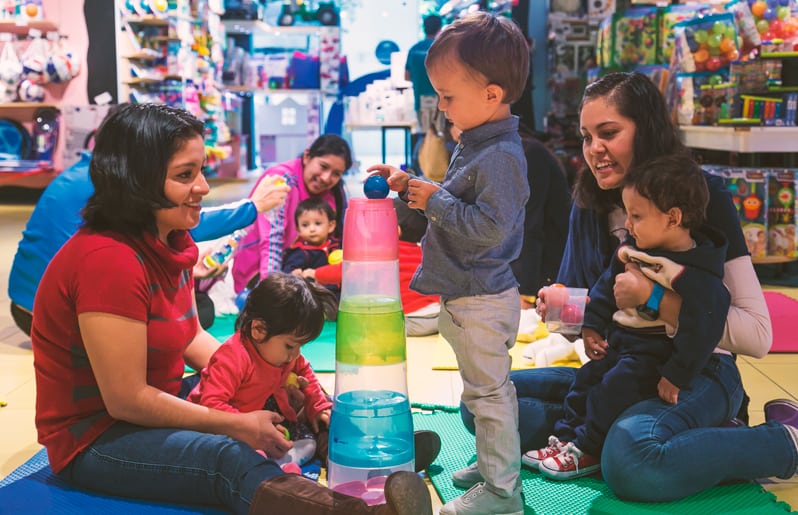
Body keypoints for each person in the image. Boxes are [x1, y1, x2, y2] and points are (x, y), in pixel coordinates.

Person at [30, 103, 433, 515]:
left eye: (200, 170)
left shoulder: (169, 242)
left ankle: (355, 452)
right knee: (226, 454)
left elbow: (191, 337)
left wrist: (266, 371)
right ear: (136, 182)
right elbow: (126, 400)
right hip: (99, 438)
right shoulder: (107, 259)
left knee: (283, 392)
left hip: (155, 403)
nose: (203, 187)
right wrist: (234, 423)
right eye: (185, 175)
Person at [457, 72, 798, 504]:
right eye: (586, 136)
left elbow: (757, 334)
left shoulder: (699, 196)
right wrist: (564, 309)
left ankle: (782, 441)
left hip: (694, 371)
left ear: (647, 129)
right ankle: (654, 435)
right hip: (621, 369)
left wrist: (654, 298)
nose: (594, 149)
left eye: (609, 133)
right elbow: (594, 321)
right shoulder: (590, 202)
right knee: (481, 403)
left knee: (631, 459)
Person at [369, 12, 530, 515]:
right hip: (466, 295)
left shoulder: (500, 154)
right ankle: (490, 467)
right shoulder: (476, 140)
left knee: (489, 397)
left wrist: (433, 200)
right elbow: (452, 196)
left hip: (482, 297)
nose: (441, 105)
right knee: (479, 393)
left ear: (491, 95)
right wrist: (409, 185)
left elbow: (489, 227)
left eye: (448, 95)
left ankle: (503, 492)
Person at [525, 154, 731, 481]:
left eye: (636, 216)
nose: (629, 224)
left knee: (611, 391)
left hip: (654, 357)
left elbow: (702, 329)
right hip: (621, 347)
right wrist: (592, 324)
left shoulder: (694, 270)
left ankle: (588, 448)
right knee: (584, 382)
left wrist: (676, 375)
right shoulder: (633, 249)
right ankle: (565, 440)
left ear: (673, 218)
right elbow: (607, 286)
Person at [8, 145, 290, 335]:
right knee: (190, 314)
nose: (202, 186)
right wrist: (251, 207)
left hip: (28, 304)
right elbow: (190, 223)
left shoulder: (87, 173)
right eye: (184, 174)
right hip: (58, 320)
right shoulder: (119, 183)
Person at [189, 272, 337, 469]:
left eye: (301, 346)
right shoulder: (234, 357)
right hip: (225, 429)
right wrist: (249, 426)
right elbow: (212, 405)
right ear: (258, 330)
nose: (296, 355)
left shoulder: (285, 355)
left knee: (311, 437)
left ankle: (284, 462)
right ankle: (273, 470)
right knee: (244, 457)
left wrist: (317, 406)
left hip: (264, 419)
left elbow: (305, 370)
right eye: (290, 346)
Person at [232, 134, 352, 294]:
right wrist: (269, 292)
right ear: (307, 156)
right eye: (323, 166)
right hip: (259, 271)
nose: (326, 178)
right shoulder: (281, 181)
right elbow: (271, 242)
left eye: (336, 174)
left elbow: (339, 240)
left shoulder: (334, 194)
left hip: (307, 272)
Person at [393, 197, 440, 337]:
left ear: (395, 230)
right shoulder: (424, 251)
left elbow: (346, 271)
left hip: (412, 320)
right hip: (439, 315)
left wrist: (323, 274)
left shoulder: (385, 253)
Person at [282, 197, 341, 292]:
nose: (312, 229)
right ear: (298, 230)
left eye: (318, 223)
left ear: (330, 226)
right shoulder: (301, 253)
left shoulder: (337, 245)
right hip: (317, 297)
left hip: (339, 294)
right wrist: (293, 274)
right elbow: (287, 272)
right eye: (305, 225)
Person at [405, 13, 443, 147]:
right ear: (440, 28)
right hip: (441, 100)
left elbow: (406, 76)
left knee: (425, 135)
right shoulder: (441, 48)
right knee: (439, 136)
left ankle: (424, 165)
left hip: (420, 99)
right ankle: (438, 166)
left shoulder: (414, 50)